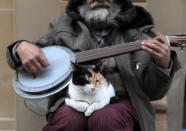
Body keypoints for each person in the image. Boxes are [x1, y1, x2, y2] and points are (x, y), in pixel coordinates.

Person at [6, 0, 181, 131]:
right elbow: (35, 54)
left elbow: (154, 93)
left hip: (122, 101)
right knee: (68, 120)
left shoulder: (138, 31)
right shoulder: (62, 25)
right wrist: (19, 47)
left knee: (106, 118)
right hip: (74, 100)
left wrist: (162, 63)